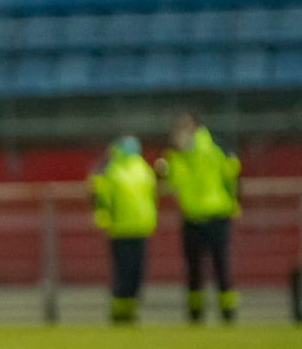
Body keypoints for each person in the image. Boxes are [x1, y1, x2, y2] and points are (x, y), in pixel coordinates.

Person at [159, 112, 242, 324]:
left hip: (216, 214)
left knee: (220, 266)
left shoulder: (212, 147)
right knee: (194, 268)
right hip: (191, 217)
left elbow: (231, 173)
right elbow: (170, 185)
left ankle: (228, 312)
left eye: (184, 127)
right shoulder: (176, 155)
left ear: (195, 127)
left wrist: (233, 201)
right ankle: (195, 314)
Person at [89, 136, 157, 324]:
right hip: (119, 229)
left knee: (136, 273)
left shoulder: (142, 167)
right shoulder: (111, 168)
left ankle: (131, 312)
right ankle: (119, 314)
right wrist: (104, 218)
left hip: (140, 227)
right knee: (123, 273)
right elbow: (99, 192)